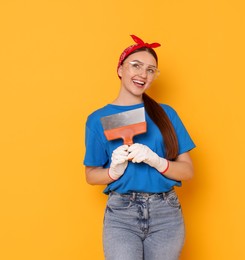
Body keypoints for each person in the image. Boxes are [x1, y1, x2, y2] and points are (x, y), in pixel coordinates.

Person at [83, 35, 196, 260]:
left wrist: (157, 161)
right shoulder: (98, 119)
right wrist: (112, 171)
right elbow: (90, 175)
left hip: (166, 213)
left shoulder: (166, 114)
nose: (143, 74)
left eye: (151, 70)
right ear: (120, 69)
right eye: (136, 66)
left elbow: (187, 171)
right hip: (121, 213)